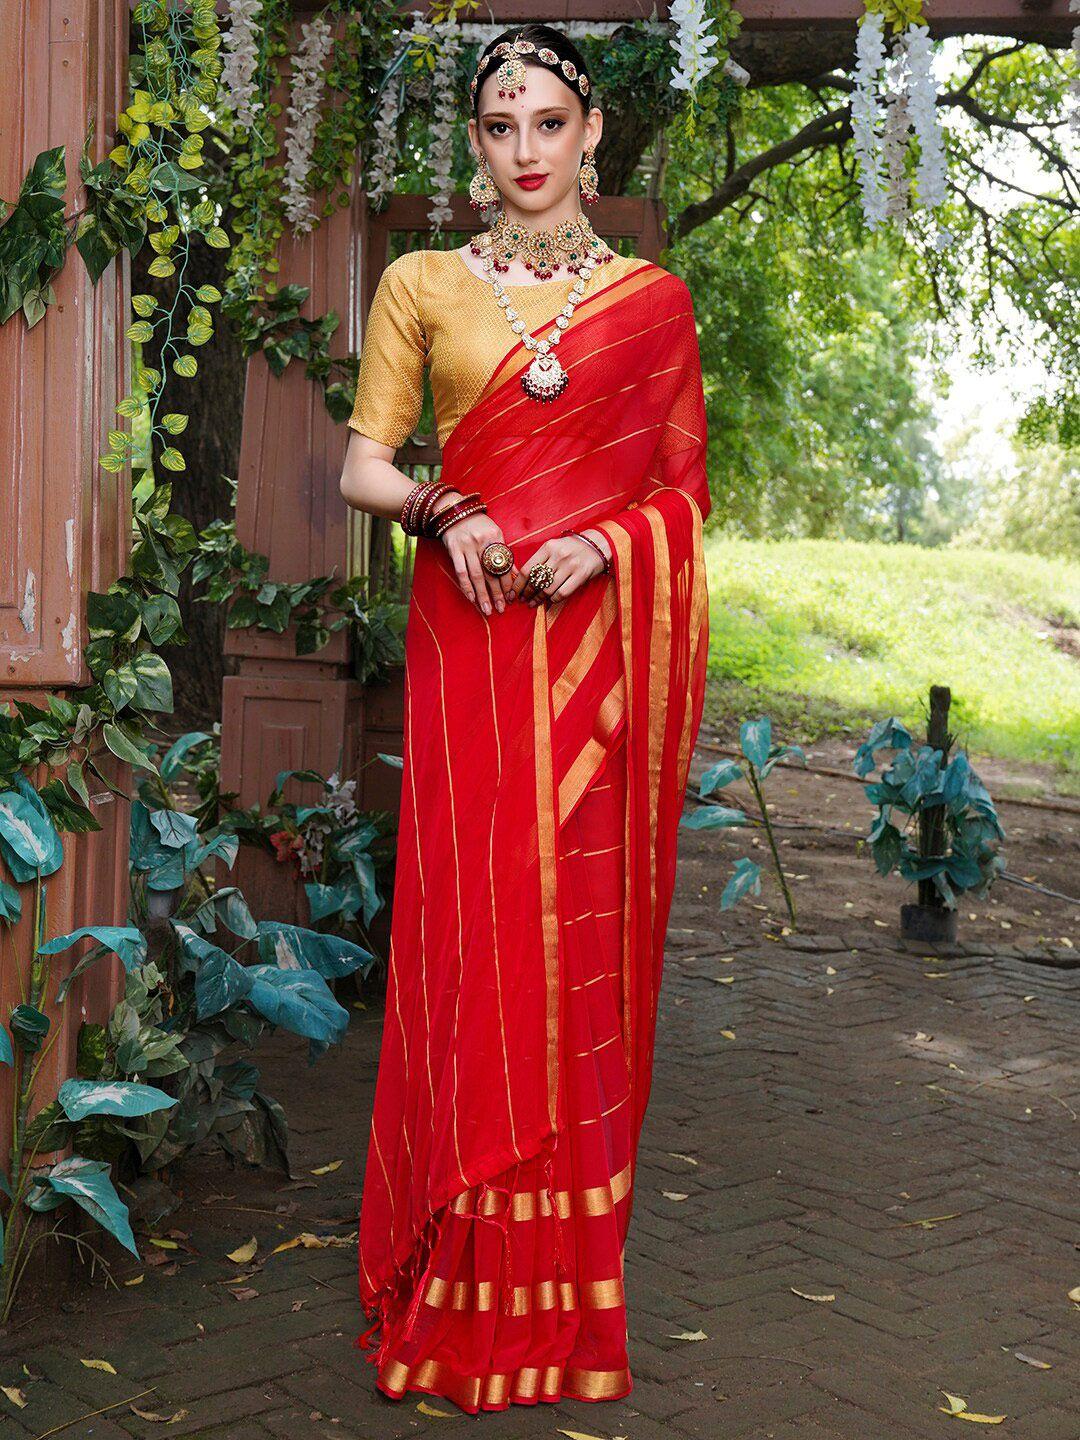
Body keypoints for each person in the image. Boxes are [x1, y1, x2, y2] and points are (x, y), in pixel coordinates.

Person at [339, 22, 711, 1416]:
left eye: (548, 123)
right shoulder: (423, 282)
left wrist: (612, 547)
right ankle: (449, 1270)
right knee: (476, 925)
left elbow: (683, 496)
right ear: (475, 144)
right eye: (500, 129)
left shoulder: (652, 303)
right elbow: (362, 468)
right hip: (476, 639)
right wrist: (453, 506)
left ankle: (565, 1303)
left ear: (593, 131)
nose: (525, 153)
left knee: (571, 952)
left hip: (597, 659)